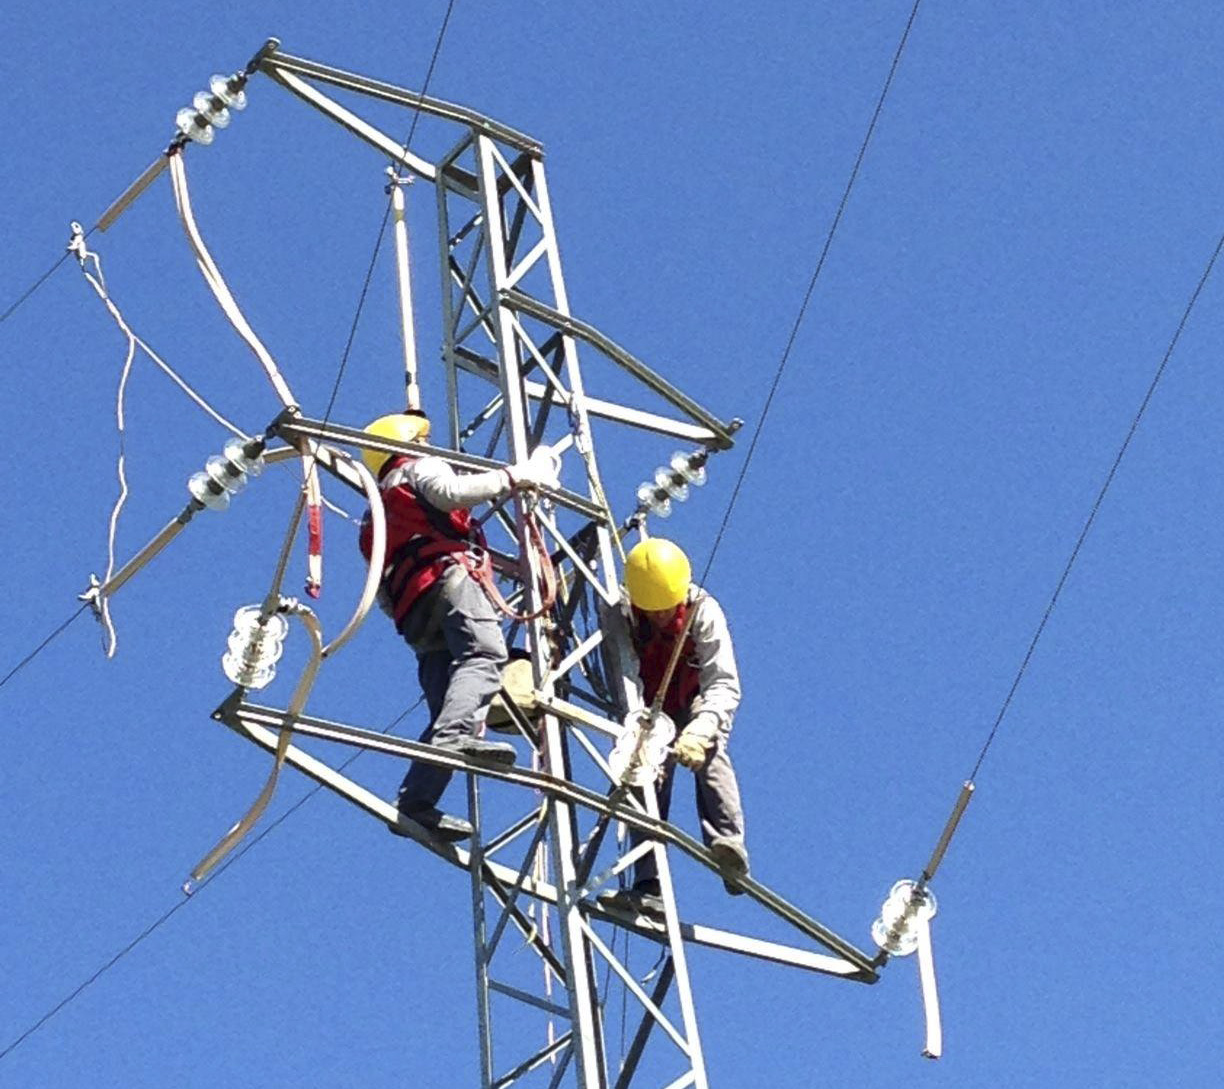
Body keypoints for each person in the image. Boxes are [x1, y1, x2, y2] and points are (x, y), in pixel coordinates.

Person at [358, 412, 558, 842]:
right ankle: (453, 742)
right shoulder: (418, 466)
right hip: (447, 580)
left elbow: (379, 586)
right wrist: (515, 477)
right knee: (485, 655)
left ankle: (417, 802)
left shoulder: (375, 513)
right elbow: (453, 494)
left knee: (448, 704)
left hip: (413, 613)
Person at [601, 538, 749, 917]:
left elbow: (724, 682)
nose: (663, 617)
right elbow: (625, 676)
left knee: (711, 756)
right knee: (645, 776)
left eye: (668, 609)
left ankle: (728, 847)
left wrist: (702, 728)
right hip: (649, 704)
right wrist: (641, 729)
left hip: (697, 695)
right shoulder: (620, 614)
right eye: (654, 611)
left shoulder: (703, 610)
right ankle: (649, 884)